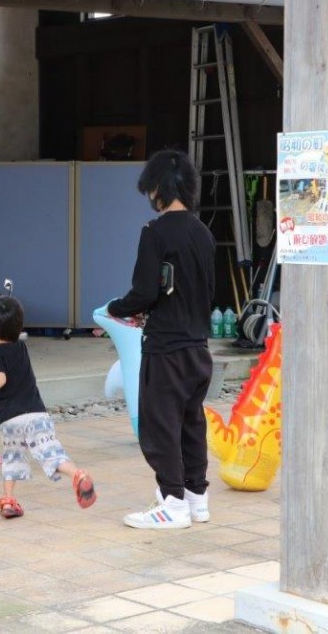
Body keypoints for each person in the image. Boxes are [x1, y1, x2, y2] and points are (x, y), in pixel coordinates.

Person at [105, 148, 215, 530]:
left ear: (158, 188)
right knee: (190, 423)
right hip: (198, 350)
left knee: (160, 426)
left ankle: (172, 502)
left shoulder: (154, 233)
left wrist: (115, 309)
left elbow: (143, 293)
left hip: (165, 349)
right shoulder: (204, 233)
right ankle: (196, 498)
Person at [0, 296, 96, 518]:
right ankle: (77, 474)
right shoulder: (21, 347)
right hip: (36, 414)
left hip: (12, 419)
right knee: (50, 452)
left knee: (12, 457)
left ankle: (8, 501)